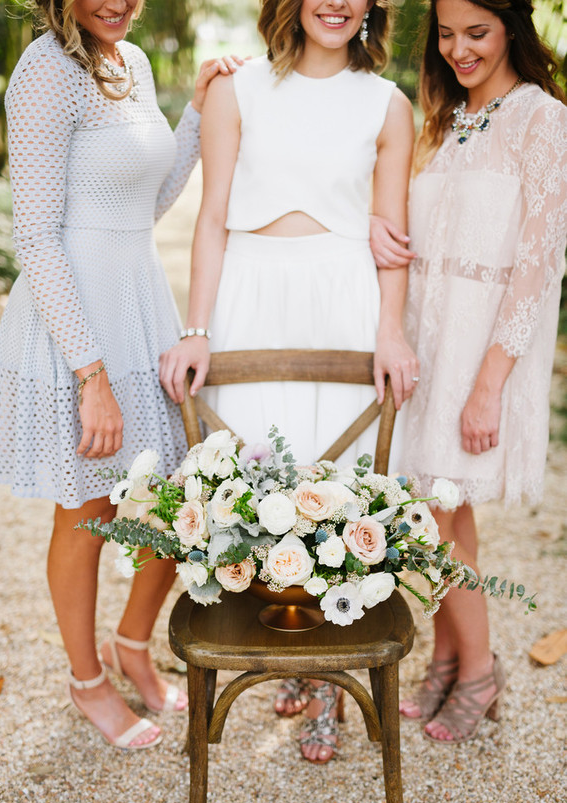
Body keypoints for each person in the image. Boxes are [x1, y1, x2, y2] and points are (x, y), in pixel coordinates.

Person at [159, 0, 419, 762]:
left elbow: (392, 235)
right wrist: (198, 327)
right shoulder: (235, 90)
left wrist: (391, 329)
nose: (335, 3)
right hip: (251, 290)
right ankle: (274, 633)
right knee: (257, 476)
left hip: (342, 296)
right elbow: (210, 219)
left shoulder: (387, 104)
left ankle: (330, 687)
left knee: (337, 478)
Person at [0, 0, 243, 749]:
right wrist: (89, 374)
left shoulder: (129, 62)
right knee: (88, 508)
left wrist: (197, 115)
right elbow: (35, 236)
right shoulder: (44, 70)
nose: (120, 3)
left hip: (141, 308)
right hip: (74, 323)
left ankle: (132, 644)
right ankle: (86, 682)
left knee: (175, 499)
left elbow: (147, 201)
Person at [388, 0, 566, 743]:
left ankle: (480, 670)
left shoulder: (542, 119)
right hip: (428, 342)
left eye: (478, 33)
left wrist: (490, 382)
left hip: (482, 350)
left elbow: (537, 263)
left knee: (443, 512)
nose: (460, 50)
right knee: (438, 510)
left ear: (512, 30)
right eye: (449, 34)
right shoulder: (450, 117)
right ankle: (451, 658)